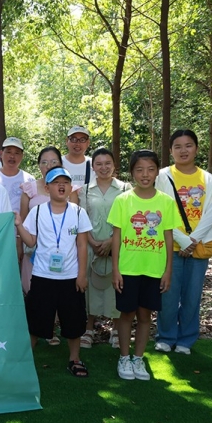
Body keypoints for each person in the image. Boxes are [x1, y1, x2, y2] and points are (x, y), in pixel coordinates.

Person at [108, 150, 181, 381]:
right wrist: (116, 269)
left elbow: (168, 237)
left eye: (150, 169)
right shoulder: (122, 200)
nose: (145, 174)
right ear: (132, 173)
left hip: (153, 269)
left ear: (157, 171)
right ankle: (124, 357)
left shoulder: (166, 202)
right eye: (139, 169)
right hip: (128, 269)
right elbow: (116, 237)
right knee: (126, 313)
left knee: (145, 315)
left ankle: (138, 359)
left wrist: (168, 270)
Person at [15, 166, 92, 378]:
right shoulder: (37, 212)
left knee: (74, 321)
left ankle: (74, 359)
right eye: (56, 182)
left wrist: (82, 275)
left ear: (70, 187)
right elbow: (31, 241)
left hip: (70, 277)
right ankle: (25, 360)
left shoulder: (78, 212)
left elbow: (82, 245)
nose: (61, 186)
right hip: (42, 275)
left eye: (65, 182)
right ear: (47, 188)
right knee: (36, 319)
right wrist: (19, 225)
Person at [153, 130, 212, 355]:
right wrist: (182, 240)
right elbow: (159, 210)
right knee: (168, 294)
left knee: (192, 296)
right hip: (170, 245)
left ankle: (186, 339)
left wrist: (192, 241)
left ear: (196, 149)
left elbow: (211, 212)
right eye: (178, 146)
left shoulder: (208, 179)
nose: (183, 150)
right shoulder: (162, 176)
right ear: (171, 150)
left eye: (188, 145)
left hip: (198, 247)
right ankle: (166, 336)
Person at [19, 146, 77, 346]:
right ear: (38, 165)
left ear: (61, 164)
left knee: (61, 292)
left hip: (64, 255)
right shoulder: (29, 188)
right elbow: (23, 221)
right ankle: (40, 330)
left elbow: (75, 224)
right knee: (35, 292)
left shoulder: (69, 188)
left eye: (53, 162)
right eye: (44, 162)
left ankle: (53, 330)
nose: (48, 165)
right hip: (34, 252)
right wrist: (20, 246)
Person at [79, 147, 131, 349]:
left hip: (118, 246)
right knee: (90, 287)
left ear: (114, 165)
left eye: (107, 163)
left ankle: (116, 330)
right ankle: (89, 329)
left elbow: (128, 220)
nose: (103, 167)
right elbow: (81, 219)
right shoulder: (84, 190)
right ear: (93, 167)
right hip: (90, 247)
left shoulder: (125, 189)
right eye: (99, 164)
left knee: (116, 286)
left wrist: (111, 241)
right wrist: (93, 242)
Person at [0, 136, 35, 264]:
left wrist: (20, 240)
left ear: (22, 156)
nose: (12, 156)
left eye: (17, 153)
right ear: (1, 153)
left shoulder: (29, 180)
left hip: (23, 236)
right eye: (8, 152)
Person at [63, 125, 92, 193]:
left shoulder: (94, 164)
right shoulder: (58, 163)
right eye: (73, 139)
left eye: (82, 140)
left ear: (88, 142)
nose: (78, 143)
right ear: (67, 141)